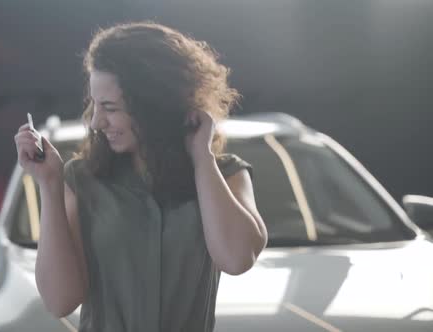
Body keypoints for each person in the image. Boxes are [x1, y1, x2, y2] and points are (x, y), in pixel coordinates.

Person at [14, 21, 268, 332]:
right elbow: (59, 302)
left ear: (155, 106)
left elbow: (236, 259)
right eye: (94, 104)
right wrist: (49, 186)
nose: (95, 122)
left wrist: (202, 156)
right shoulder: (82, 180)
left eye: (110, 107)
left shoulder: (226, 175)